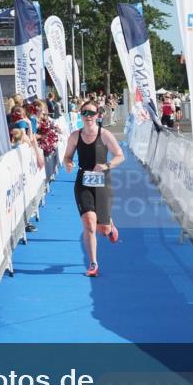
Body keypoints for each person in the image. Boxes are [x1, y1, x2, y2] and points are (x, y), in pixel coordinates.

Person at [62, 100, 124, 277]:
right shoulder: (75, 136)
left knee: (102, 230)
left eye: (92, 113)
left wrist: (107, 165)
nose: (88, 117)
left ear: (98, 115)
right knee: (89, 223)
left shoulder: (104, 135)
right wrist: (68, 163)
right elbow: (66, 157)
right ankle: (93, 263)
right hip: (83, 182)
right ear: (81, 115)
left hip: (103, 183)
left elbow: (120, 155)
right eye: (85, 113)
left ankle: (110, 226)